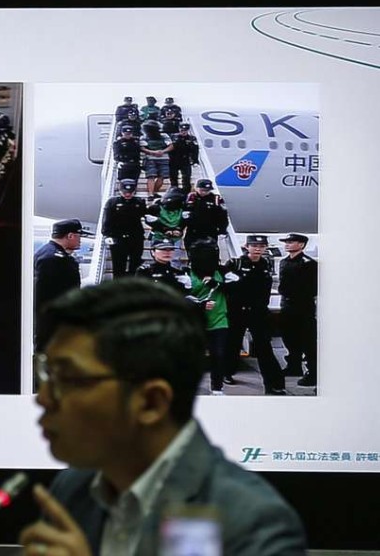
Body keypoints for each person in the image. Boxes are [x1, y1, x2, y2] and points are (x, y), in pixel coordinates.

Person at [20, 278, 308, 556]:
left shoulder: (253, 524)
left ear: (151, 402)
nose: (43, 398)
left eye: (68, 378)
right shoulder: (76, 487)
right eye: (46, 372)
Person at [225, 235, 287, 395]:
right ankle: (227, 373)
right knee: (233, 344)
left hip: (258, 312)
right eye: (254, 246)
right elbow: (226, 288)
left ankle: (274, 384)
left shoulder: (265, 264)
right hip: (238, 311)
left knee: (264, 348)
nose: (258, 249)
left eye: (261, 246)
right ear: (247, 247)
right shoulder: (235, 264)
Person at [186, 237, 230, 394]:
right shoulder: (185, 274)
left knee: (218, 355)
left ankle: (217, 388)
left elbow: (237, 288)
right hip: (194, 321)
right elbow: (180, 297)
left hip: (219, 320)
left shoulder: (222, 272)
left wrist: (217, 284)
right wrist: (199, 304)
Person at [34, 218, 83, 348]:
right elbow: (42, 292)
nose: (80, 240)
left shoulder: (49, 253)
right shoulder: (52, 258)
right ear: (70, 236)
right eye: (79, 236)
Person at [277, 233, 318, 387]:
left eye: (291, 242)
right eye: (286, 242)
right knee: (289, 338)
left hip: (302, 307)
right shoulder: (284, 262)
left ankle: (312, 373)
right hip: (287, 306)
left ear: (301, 245)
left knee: (307, 341)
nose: (287, 244)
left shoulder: (308, 263)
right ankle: (294, 366)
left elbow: (312, 287)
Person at [101, 178, 146, 278]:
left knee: (135, 264)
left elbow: (145, 214)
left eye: (130, 192)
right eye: (125, 192)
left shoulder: (139, 201)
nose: (127, 194)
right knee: (118, 266)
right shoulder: (112, 202)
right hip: (118, 238)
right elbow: (106, 220)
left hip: (135, 238)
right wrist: (106, 234)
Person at [183, 179, 229, 254]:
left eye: (207, 190)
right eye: (202, 190)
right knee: (191, 251)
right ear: (196, 188)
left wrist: (222, 230)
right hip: (193, 231)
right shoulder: (191, 197)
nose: (204, 192)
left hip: (210, 231)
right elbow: (184, 213)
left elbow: (223, 216)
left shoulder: (216, 199)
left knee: (209, 253)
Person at [140, 120, 173, 199]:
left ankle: (153, 193)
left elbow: (171, 146)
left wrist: (161, 151)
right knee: (152, 176)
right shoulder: (144, 137)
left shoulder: (164, 136)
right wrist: (154, 152)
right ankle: (151, 193)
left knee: (161, 177)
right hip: (151, 158)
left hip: (162, 158)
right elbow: (142, 148)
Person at [168, 121, 199, 193]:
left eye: (185, 130)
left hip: (185, 159)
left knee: (186, 177)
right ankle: (174, 191)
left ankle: (186, 192)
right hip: (173, 159)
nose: (183, 132)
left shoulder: (192, 138)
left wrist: (195, 160)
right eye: (182, 130)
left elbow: (195, 150)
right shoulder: (173, 137)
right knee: (173, 177)